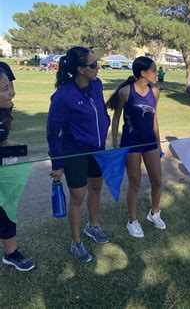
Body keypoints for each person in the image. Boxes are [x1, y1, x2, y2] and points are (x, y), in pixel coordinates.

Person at [47, 46, 111, 263]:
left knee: (96, 188)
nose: (97, 67)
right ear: (80, 70)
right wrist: (57, 163)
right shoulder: (63, 96)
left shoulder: (97, 84)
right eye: (93, 65)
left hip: (98, 149)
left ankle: (93, 226)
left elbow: (100, 109)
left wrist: (106, 122)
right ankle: (76, 243)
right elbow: (52, 133)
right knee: (77, 197)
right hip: (74, 152)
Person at [108, 57, 165, 238]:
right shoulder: (126, 92)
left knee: (158, 181)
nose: (157, 73)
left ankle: (154, 213)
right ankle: (132, 221)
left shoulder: (155, 92)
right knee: (135, 182)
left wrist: (158, 142)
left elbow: (154, 118)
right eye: (154, 70)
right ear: (143, 73)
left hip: (149, 141)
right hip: (131, 142)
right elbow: (116, 117)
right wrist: (116, 144)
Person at [0, 64, 35, 272]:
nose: (12, 92)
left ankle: (11, 254)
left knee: (6, 210)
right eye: (5, 88)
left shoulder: (4, 114)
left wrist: (5, 145)